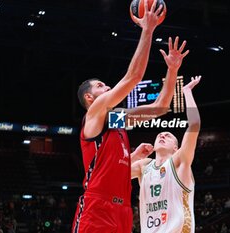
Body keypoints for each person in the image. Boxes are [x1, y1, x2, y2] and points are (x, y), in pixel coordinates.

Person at [72, 0, 189, 232]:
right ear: (89, 98)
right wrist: (148, 29)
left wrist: (173, 69)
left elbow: (160, 108)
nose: (106, 88)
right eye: (100, 85)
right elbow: (133, 77)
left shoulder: (115, 121)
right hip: (97, 206)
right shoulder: (95, 114)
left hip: (123, 209)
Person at [131, 76, 202, 233]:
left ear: (176, 148)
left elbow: (195, 125)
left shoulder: (179, 162)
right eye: (159, 135)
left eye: (168, 135)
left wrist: (187, 91)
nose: (162, 136)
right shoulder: (144, 166)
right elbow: (113, 174)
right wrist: (135, 156)